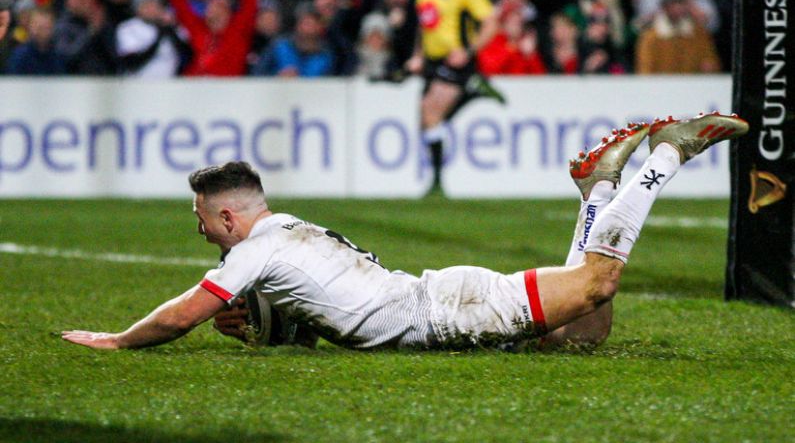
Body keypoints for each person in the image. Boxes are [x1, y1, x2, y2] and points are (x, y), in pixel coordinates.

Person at [62, 112, 748, 351]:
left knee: (598, 280)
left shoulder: (256, 247)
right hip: (441, 304)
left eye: (203, 221)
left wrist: (119, 339)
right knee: (585, 329)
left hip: (447, 311)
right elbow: (327, 309)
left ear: (229, 217)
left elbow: (186, 313)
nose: (202, 234)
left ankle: (669, 154)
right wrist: (277, 330)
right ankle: (597, 185)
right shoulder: (289, 229)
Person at [406, 0, 503, 196]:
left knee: (431, 114)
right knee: (427, 119)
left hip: (455, 62)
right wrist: (418, 55)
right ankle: (471, 92)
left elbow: (492, 22)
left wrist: (468, 51)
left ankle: (437, 181)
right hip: (433, 63)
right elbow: (425, 27)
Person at [168, 0, 256, 76]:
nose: (211, 6)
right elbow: (180, 5)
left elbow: (250, 3)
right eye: (210, 3)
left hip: (228, 86)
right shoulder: (199, 29)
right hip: (196, 85)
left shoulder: (239, 29)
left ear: (227, 10)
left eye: (218, 4)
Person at [634, 0, 720, 74]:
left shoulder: (698, 33)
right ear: (665, 8)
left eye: (680, 5)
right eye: (673, 6)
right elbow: (645, 68)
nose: (678, 10)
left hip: (692, 85)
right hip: (660, 86)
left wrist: (710, 66)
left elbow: (711, 60)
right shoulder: (651, 37)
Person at [252, 2, 334, 78]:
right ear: (298, 25)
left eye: (313, 24)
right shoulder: (279, 46)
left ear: (320, 27)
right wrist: (277, 76)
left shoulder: (326, 55)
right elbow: (257, 73)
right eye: (306, 23)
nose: (309, 29)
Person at [115, 0, 188, 77]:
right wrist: (159, 36)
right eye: (146, 5)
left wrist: (171, 30)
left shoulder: (170, 26)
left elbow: (186, 55)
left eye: (154, 4)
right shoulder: (128, 28)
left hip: (169, 84)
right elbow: (133, 63)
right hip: (138, 84)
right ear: (137, 9)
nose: (151, 9)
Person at [6, 7, 65, 75]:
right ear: (29, 27)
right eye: (37, 27)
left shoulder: (59, 55)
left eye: (46, 27)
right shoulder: (19, 56)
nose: (40, 31)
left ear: (53, 28)